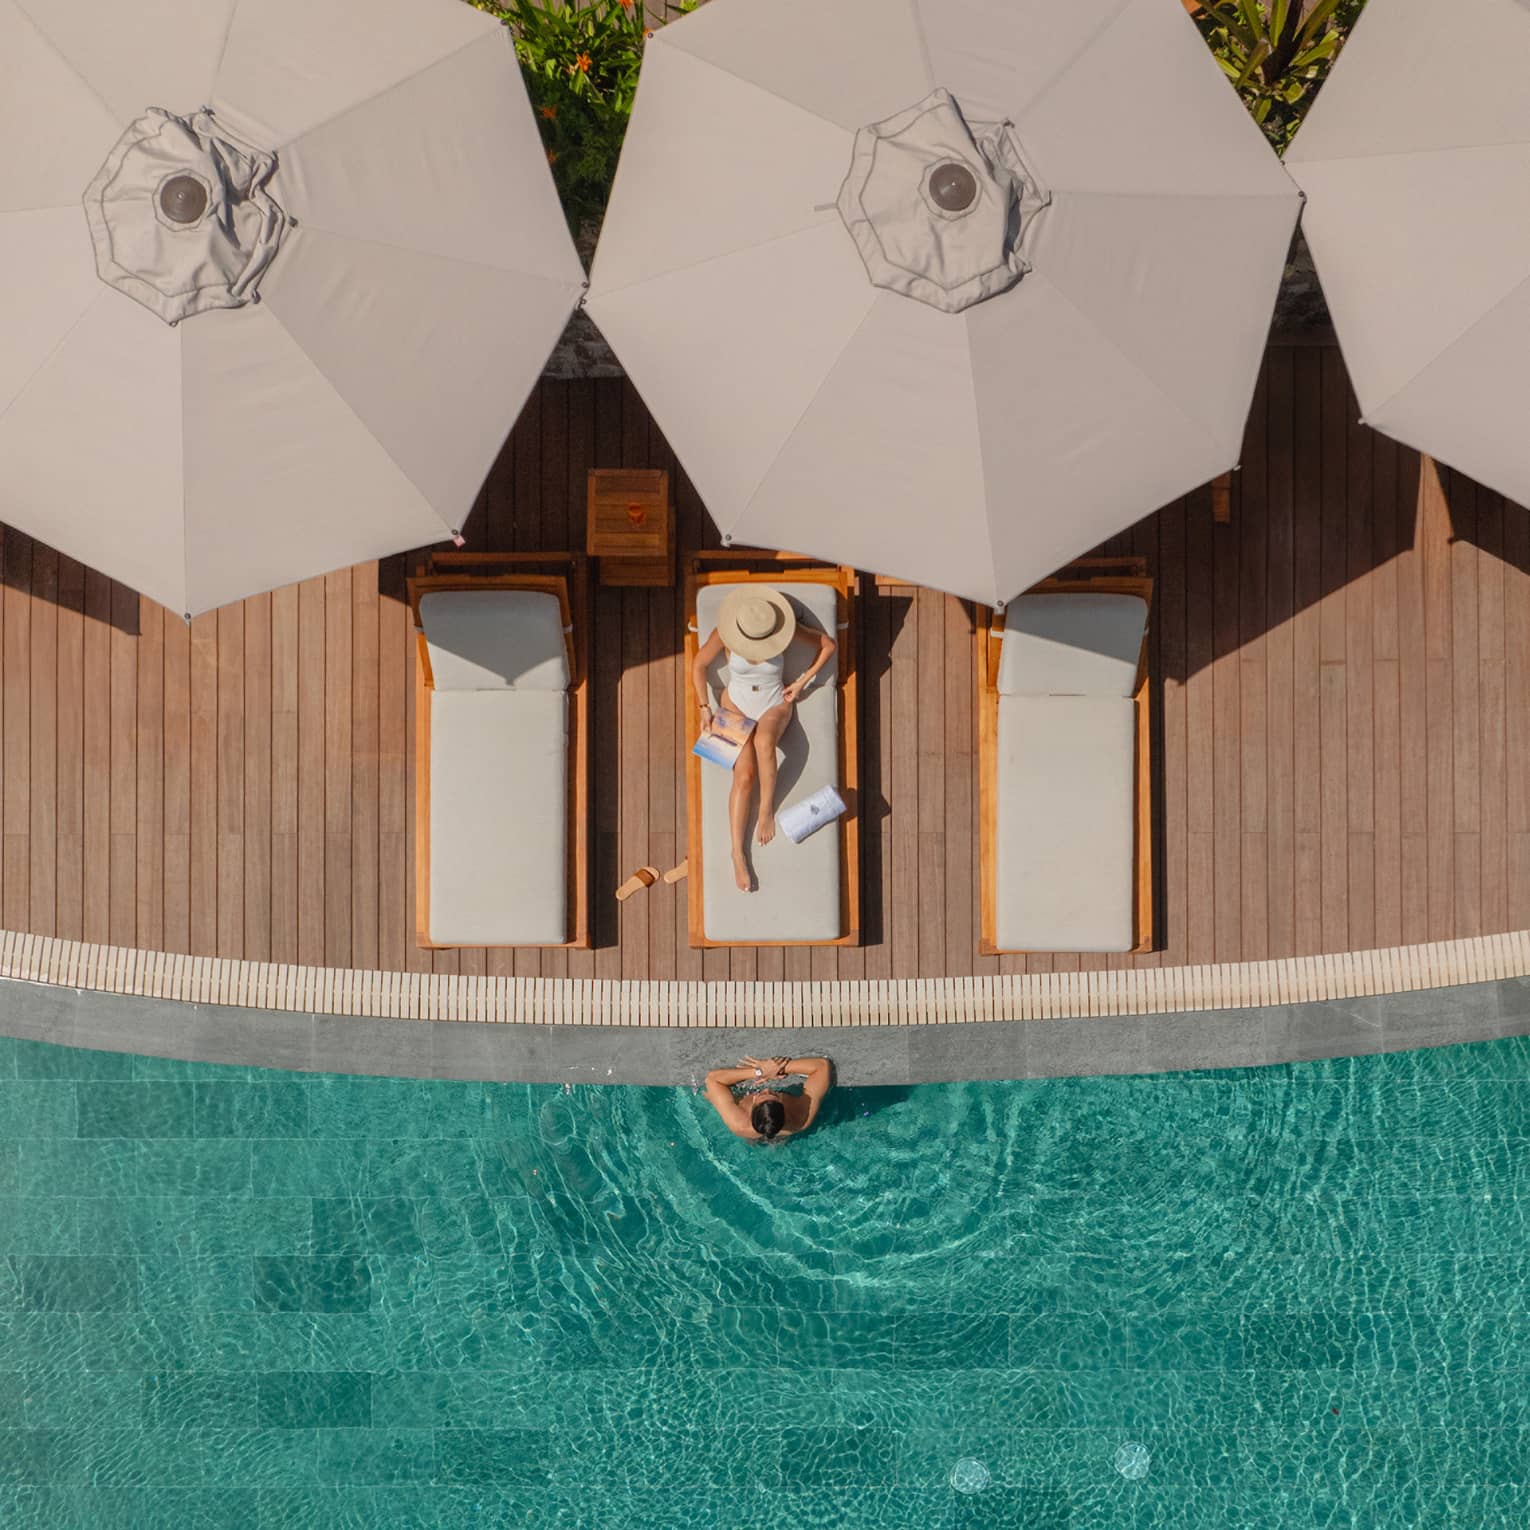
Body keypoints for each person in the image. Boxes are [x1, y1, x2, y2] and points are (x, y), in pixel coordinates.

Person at [693, 586, 836, 892]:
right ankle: (737, 853)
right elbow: (698, 665)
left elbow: (828, 645)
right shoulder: (726, 632)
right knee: (744, 777)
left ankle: (765, 808)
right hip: (735, 701)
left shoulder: (783, 630)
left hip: (774, 700)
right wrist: (704, 707)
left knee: (764, 742)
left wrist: (800, 682)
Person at [704, 1055, 833, 1142]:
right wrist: (774, 1069)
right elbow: (821, 1066)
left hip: (760, 1130)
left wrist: (761, 1071)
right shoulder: (800, 1120)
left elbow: (713, 1079)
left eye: (762, 1094)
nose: (766, 1089)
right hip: (757, 1133)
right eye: (772, 1094)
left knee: (713, 1095)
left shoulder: (738, 1123)